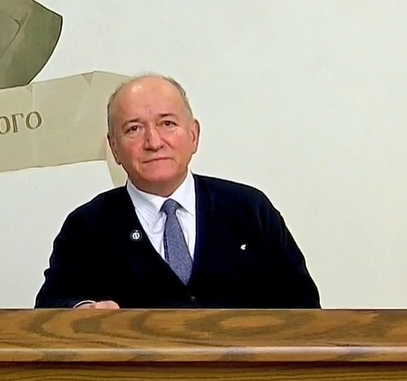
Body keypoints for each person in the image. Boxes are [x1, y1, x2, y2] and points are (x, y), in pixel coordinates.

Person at [34, 74, 320, 309]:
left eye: (167, 124)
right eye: (134, 129)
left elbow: (304, 309)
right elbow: (51, 308)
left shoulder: (249, 210)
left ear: (193, 135)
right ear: (114, 148)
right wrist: (82, 312)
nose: (154, 142)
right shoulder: (87, 227)